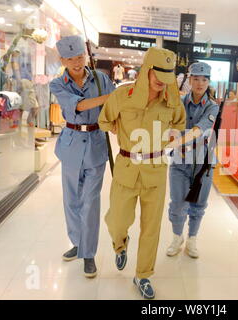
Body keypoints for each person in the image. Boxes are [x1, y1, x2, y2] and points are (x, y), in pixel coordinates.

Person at [98, 47, 186, 299]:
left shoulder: (172, 100)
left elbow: (179, 124)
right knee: (117, 219)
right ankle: (120, 243)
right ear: (146, 69)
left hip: (155, 170)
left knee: (151, 227)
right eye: (158, 74)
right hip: (126, 167)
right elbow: (104, 120)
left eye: (168, 76)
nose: (162, 82)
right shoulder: (122, 95)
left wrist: (169, 137)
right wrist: (119, 129)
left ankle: (143, 274)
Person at [49, 35, 115, 277]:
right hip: (71, 145)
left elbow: (114, 109)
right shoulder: (58, 84)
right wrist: (110, 98)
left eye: (79, 57)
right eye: (70, 59)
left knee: (90, 202)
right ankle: (77, 243)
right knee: (71, 201)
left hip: (96, 146)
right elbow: (79, 106)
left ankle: (88, 254)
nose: (76, 63)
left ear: (85, 56)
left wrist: (115, 118)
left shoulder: (102, 79)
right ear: (62, 60)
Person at [166, 62, 219, 258]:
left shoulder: (213, 107)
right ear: (189, 80)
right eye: (196, 79)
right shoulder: (178, 103)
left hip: (203, 162)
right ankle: (176, 237)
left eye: (204, 79)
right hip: (180, 160)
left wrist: (176, 140)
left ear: (208, 82)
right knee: (178, 203)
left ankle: (192, 239)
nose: (200, 83)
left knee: (198, 203)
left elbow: (200, 129)